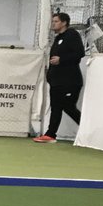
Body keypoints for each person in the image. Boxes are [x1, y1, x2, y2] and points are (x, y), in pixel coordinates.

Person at [34, 12, 84, 143]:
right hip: (57, 82)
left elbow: (80, 53)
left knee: (64, 106)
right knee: (61, 107)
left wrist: (62, 60)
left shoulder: (72, 35)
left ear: (64, 23)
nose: (53, 24)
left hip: (69, 81)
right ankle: (51, 134)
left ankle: (51, 134)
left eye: (55, 21)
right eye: (53, 21)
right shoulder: (58, 38)